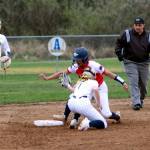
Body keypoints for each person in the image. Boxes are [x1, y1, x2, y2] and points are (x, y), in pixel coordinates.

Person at [40, 47, 128, 128]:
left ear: (84, 59)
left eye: (78, 60)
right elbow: (61, 73)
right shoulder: (75, 66)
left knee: (106, 114)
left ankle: (117, 116)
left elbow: (109, 73)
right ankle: (75, 118)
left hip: (100, 88)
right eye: (75, 60)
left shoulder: (94, 65)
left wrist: (122, 82)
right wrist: (47, 78)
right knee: (77, 97)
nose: (76, 62)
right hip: (86, 87)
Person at [115, 17, 150, 111]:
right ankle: (136, 103)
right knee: (134, 82)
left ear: (143, 25)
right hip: (130, 62)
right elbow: (118, 44)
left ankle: (141, 99)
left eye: (140, 25)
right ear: (133, 25)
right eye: (136, 25)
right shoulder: (127, 33)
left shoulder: (148, 36)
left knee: (143, 84)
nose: (138, 27)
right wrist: (119, 54)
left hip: (144, 63)